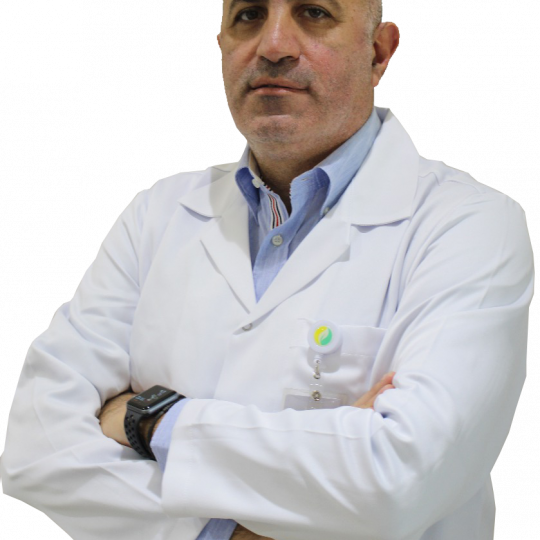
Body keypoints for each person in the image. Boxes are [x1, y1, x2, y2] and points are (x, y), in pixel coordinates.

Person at [1, 1, 533, 539]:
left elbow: (399, 479)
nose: (273, 45)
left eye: (314, 13)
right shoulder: (156, 214)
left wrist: (150, 419)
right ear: (222, 44)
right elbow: (36, 450)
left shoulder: (471, 225)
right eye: (249, 15)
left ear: (378, 52)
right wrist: (224, 533)